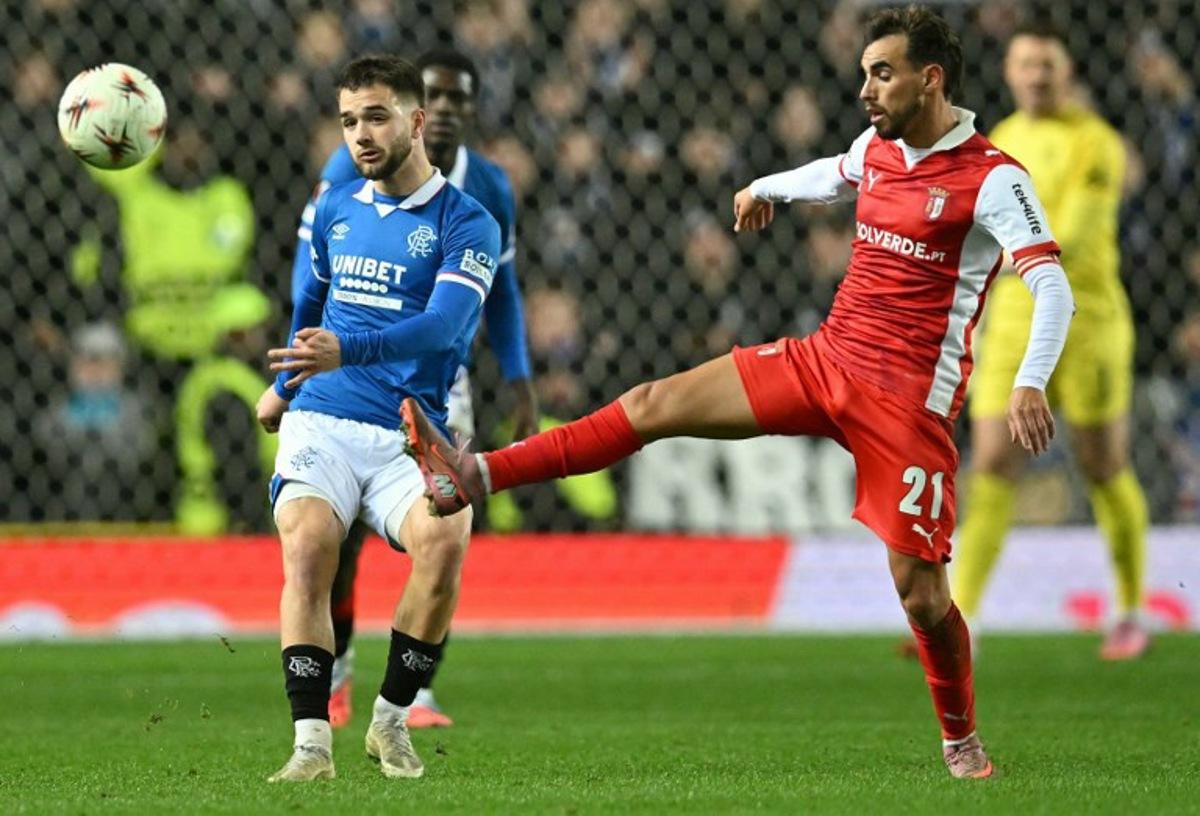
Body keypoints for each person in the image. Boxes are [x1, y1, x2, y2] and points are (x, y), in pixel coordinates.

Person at [402, 6, 1076, 779]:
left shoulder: (994, 178)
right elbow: (834, 171)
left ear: (931, 80)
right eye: (862, 73)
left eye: (880, 74)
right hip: (823, 362)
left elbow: (1052, 287)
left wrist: (1028, 381)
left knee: (921, 596)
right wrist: (765, 187)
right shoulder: (880, 147)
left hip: (907, 408)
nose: (864, 88)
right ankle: (476, 473)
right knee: (654, 403)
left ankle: (961, 738)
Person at [256, 55, 501, 782]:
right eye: (349, 121)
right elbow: (310, 302)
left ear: (416, 120)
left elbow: (444, 327)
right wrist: (288, 384)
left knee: (448, 537)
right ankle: (310, 745)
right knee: (307, 547)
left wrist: (348, 349)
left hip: (407, 432)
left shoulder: (469, 223)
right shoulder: (334, 205)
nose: (361, 134)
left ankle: (389, 723)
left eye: (376, 116)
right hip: (323, 419)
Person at [290, 47, 539, 729]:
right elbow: (310, 272)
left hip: (438, 384)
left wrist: (519, 378)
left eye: (461, 99)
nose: (450, 110)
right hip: (349, 382)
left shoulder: (487, 189)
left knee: (443, 519)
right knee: (338, 540)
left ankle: (415, 694)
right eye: (439, 96)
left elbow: (503, 293)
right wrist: (295, 371)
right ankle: (336, 677)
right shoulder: (351, 168)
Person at [949, 22, 1150, 659]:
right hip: (1011, 320)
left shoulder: (1098, 144)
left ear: (1069, 71)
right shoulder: (1000, 141)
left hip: (1088, 319)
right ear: (1009, 74)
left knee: (1102, 464)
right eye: (1026, 64)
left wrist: (1012, 255)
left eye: (1048, 64)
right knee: (990, 463)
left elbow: (1078, 236)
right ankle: (964, 620)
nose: (1037, 75)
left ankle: (1128, 610)